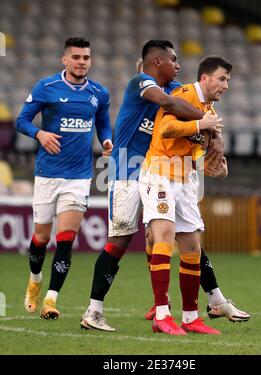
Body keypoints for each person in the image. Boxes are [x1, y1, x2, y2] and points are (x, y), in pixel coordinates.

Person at [80, 41, 248, 332]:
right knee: (121, 240)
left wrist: (215, 135)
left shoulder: (176, 89)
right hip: (125, 166)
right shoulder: (141, 83)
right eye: (173, 59)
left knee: (181, 234)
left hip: (160, 168)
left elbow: (197, 104)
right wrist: (206, 123)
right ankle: (94, 311)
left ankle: (208, 300)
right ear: (157, 62)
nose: (179, 65)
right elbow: (175, 107)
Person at [138, 56, 244, 335]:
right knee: (163, 236)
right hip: (159, 172)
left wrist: (216, 170)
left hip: (184, 178)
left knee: (192, 247)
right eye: (222, 79)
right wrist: (202, 125)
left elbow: (195, 151)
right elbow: (166, 128)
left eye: (228, 81)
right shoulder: (185, 94)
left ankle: (190, 317)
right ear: (205, 79)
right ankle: (161, 315)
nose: (226, 85)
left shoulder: (208, 111)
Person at [16, 37, 113, 320]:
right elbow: (22, 120)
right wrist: (40, 134)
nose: (82, 62)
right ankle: (35, 279)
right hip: (47, 174)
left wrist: (106, 141)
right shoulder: (46, 87)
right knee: (40, 237)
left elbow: (103, 123)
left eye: (86, 57)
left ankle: (51, 298)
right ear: (65, 60)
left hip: (79, 176)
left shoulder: (99, 93)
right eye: (76, 57)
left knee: (66, 238)